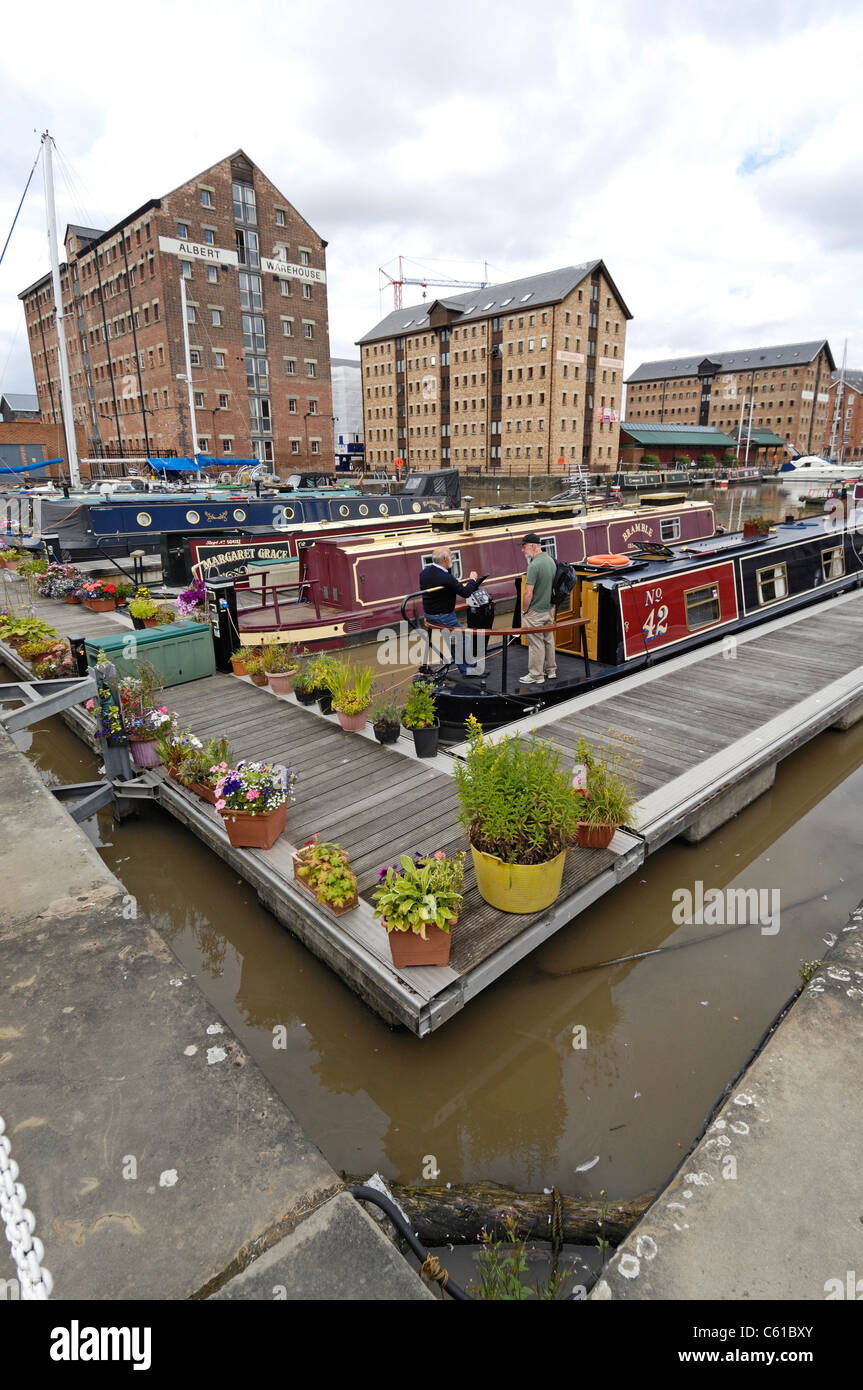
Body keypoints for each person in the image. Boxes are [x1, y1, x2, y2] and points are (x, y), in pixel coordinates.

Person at [419, 547, 481, 676]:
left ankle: (467, 666)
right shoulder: (445, 578)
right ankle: (468, 669)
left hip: (430, 614)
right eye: (451, 556)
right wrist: (473, 579)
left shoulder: (425, 573)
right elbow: (465, 593)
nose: (452, 557)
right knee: (463, 638)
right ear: (445, 559)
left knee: (455, 639)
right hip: (443, 616)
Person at [519, 532, 557, 685]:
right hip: (548, 609)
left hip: (535, 611)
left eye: (524, 546)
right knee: (548, 640)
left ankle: (536, 675)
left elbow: (528, 593)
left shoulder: (534, 565)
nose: (522, 550)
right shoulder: (551, 561)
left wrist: (524, 610)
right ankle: (551, 670)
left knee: (536, 644)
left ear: (533, 546)